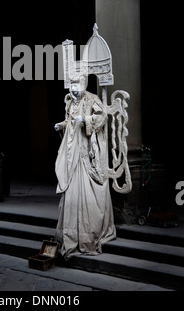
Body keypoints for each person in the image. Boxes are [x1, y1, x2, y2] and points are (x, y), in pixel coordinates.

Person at [54, 75, 116, 259]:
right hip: (73, 153)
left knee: (89, 192)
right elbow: (71, 122)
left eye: (77, 84)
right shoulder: (71, 102)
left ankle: (88, 234)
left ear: (84, 84)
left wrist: (87, 119)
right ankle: (71, 234)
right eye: (72, 84)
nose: (74, 88)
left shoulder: (92, 99)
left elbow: (102, 116)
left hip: (87, 152)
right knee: (71, 192)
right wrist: (63, 125)